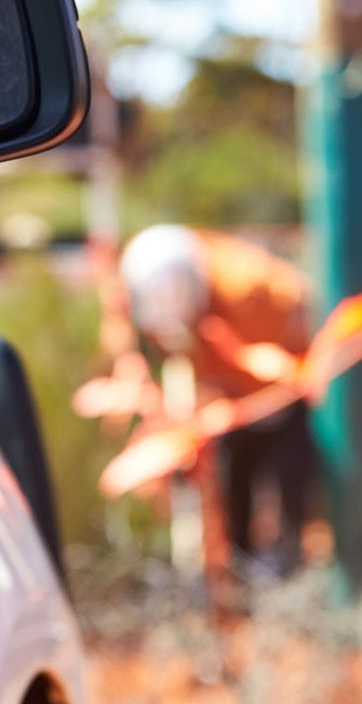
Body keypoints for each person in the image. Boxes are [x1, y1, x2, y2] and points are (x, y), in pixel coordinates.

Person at [115, 224, 316, 575]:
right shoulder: (138, 284)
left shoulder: (253, 289)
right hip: (227, 407)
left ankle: (291, 565)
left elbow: (297, 341)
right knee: (232, 489)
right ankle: (238, 572)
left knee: (288, 487)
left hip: (280, 399)